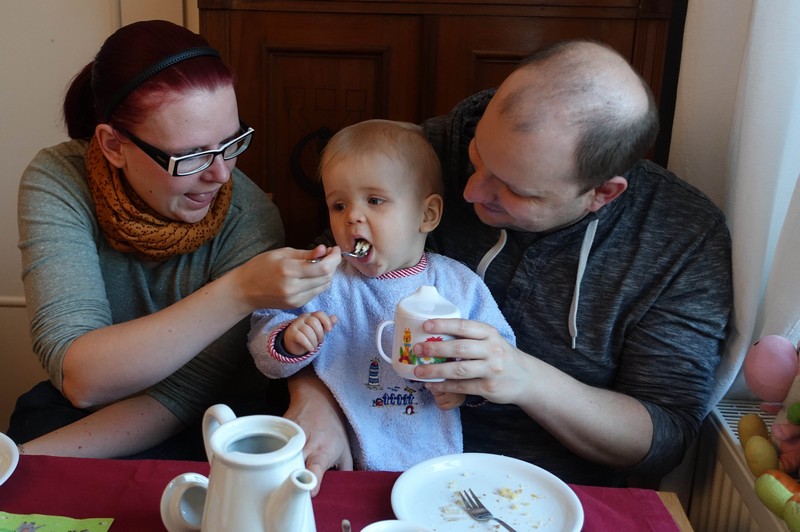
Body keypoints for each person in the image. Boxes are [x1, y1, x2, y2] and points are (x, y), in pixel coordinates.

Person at [307, 39, 733, 488]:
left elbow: (663, 436)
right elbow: (328, 280)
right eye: (477, 156)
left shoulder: (681, 237)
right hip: (383, 458)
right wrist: (317, 396)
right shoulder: (429, 149)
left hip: (553, 488)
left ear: (601, 193)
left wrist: (522, 376)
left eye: (514, 190)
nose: (469, 192)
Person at [8, 20, 344, 461]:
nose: (220, 174)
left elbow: (180, 399)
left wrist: (244, 290)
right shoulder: (59, 180)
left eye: (231, 143)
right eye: (191, 155)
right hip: (78, 416)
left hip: (203, 426)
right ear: (113, 146)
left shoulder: (249, 218)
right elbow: (81, 378)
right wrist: (239, 290)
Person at [247, 119, 515, 471]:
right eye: (338, 205)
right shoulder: (325, 281)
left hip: (427, 464)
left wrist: (464, 387)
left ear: (427, 214)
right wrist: (289, 341)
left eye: (374, 200)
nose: (352, 217)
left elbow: (501, 356)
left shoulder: (459, 285)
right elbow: (263, 343)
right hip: (335, 459)